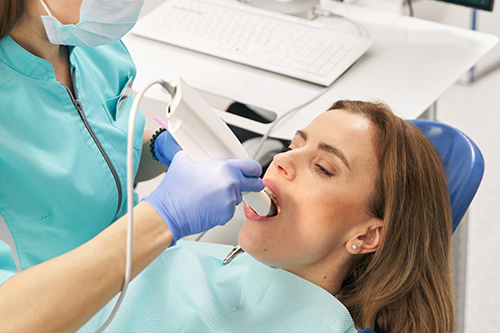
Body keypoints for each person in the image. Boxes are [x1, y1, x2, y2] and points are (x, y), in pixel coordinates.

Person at [9, 100, 450, 333]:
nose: (282, 161)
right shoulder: (194, 263)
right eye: (294, 144)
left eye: (323, 167)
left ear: (368, 236)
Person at [0, 0, 186, 269]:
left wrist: (158, 147)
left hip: (136, 261)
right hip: (60, 302)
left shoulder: (99, 50)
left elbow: (109, 162)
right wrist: (164, 218)